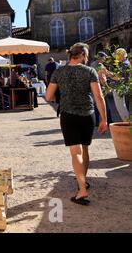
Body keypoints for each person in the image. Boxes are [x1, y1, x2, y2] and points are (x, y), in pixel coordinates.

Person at [46, 43, 107, 206]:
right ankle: (83, 181)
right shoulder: (89, 71)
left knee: (75, 152)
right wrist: (104, 119)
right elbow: (98, 97)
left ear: (70, 55)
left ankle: (81, 189)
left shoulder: (59, 72)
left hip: (68, 116)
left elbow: (48, 95)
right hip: (88, 115)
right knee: (85, 149)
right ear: (83, 56)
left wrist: (62, 96)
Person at [111, 48, 130, 122]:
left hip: (120, 87)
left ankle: (128, 124)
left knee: (121, 107)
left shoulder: (124, 64)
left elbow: (118, 77)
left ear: (121, 55)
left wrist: (107, 73)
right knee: (122, 107)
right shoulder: (124, 63)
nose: (116, 57)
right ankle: (127, 123)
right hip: (121, 87)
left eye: (117, 55)